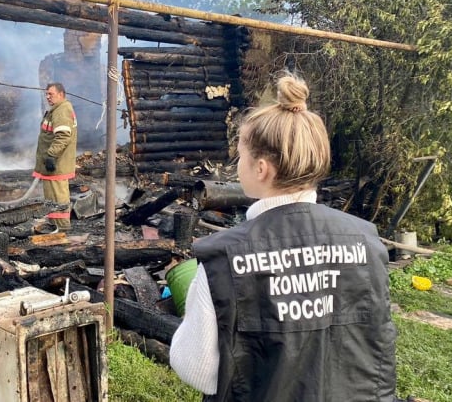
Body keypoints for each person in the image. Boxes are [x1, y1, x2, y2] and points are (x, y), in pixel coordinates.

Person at [170, 72, 397, 401]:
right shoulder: (368, 241)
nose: (238, 164)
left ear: (261, 169)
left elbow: (200, 371)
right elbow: (378, 341)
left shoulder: (224, 259)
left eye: (241, 156)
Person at [32, 82, 78, 233]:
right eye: (46, 94)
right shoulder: (57, 109)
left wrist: (51, 155)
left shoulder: (62, 110)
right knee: (52, 195)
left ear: (61, 94)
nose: (47, 97)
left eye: (50, 94)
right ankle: (55, 225)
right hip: (52, 165)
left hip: (57, 164)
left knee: (58, 195)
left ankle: (63, 227)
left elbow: (63, 136)